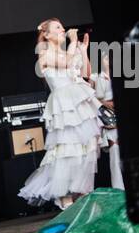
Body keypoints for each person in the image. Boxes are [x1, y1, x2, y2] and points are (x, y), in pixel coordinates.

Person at [18, 17, 102, 212]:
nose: (63, 30)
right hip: (64, 105)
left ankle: (82, 193)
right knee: (66, 150)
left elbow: (87, 74)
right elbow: (66, 63)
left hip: (79, 103)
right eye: (58, 27)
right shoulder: (45, 55)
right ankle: (65, 198)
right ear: (46, 34)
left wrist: (82, 49)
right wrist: (73, 44)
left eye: (63, 27)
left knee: (87, 148)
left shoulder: (68, 52)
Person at [87, 52, 124, 190]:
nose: (108, 60)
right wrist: (104, 102)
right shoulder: (96, 77)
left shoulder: (121, 75)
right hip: (108, 119)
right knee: (115, 152)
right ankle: (119, 189)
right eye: (106, 57)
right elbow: (89, 97)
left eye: (111, 57)